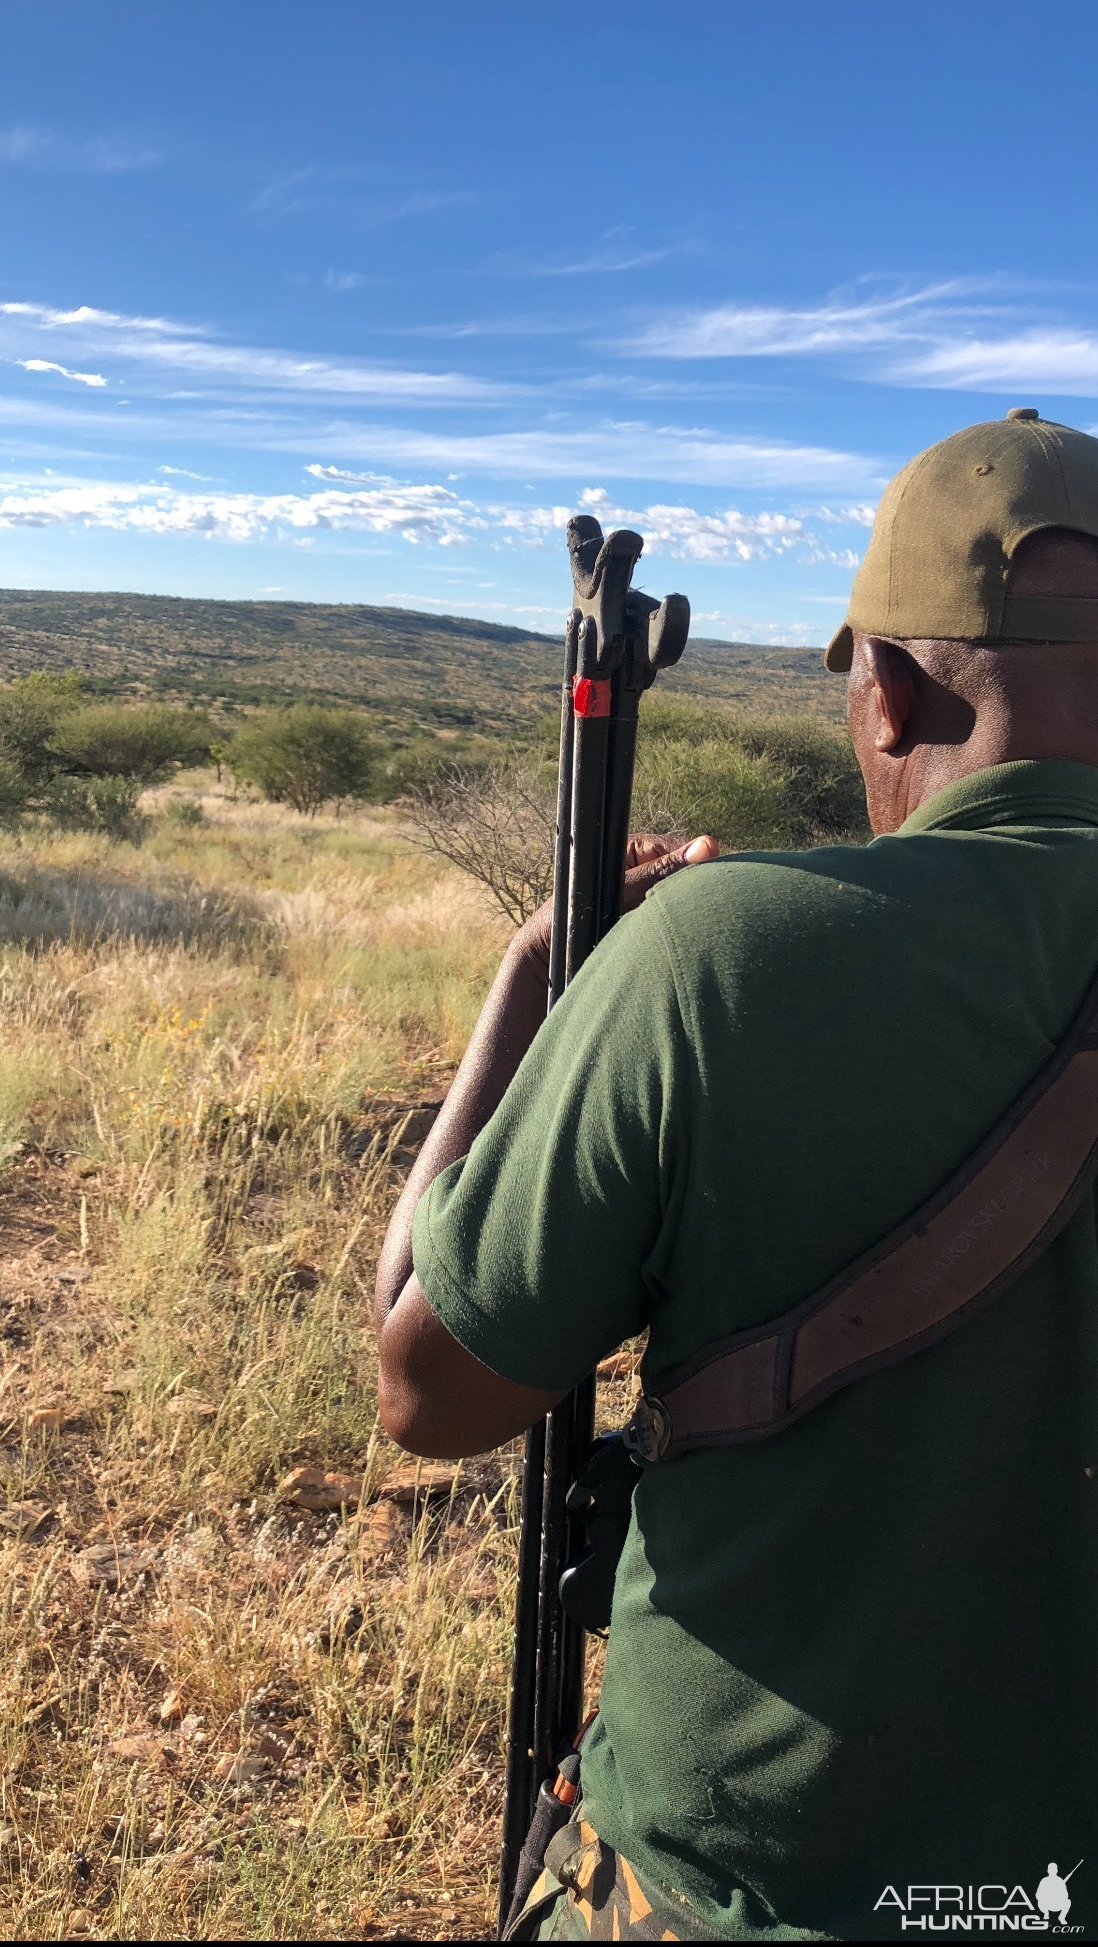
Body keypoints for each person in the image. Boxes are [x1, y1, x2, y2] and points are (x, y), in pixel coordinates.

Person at [374, 408, 1098, 1941]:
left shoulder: (719, 957)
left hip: (742, 1895)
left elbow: (429, 1391)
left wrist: (538, 988)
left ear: (884, 692)